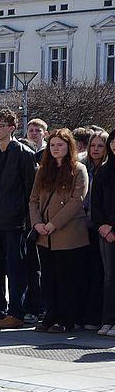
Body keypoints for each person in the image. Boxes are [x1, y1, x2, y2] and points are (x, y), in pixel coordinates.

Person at [0, 109, 36, 329]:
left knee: (15, 268)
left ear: (13, 127)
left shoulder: (24, 153)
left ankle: (16, 311)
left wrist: (28, 221)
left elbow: (31, 190)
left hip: (15, 221)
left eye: (1, 126)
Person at [30, 129, 89, 332]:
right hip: (44, 235)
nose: (56, 148)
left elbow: (77, 201)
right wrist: (37, 223)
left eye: (60, 145)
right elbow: (33, 200)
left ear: (69, 146)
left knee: (66, 278)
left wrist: (53, 224)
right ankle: (50, 315)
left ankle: (66, 319)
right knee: (48, 277)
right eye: (53, 145)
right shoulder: (43, 170)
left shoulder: (78, 169)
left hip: (67, 233)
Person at [81, 129, 109, 330]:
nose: (96, 149)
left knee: (101, 272)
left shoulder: (107, 170)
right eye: (93, 145)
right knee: (86, 271)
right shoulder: (83, 167)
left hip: (102, 226)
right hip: (83, 225)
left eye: (100, 146)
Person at [92, 134, 115, 335]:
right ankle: (107, 320)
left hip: (111, 228)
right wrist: (102, 226)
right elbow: (96, 202)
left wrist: (112, 226)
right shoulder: (104, 171)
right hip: (105, 232)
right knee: (109, 277)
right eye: (113, 141)